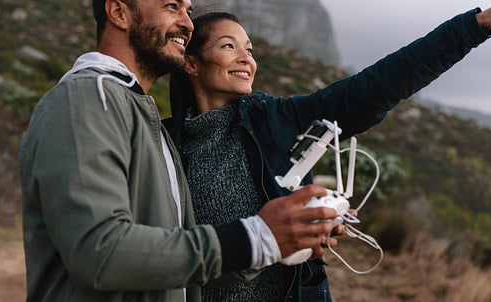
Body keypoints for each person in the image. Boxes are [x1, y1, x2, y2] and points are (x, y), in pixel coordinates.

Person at [166, 5, 491, 302]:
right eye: (229, 46)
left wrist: (478, 24)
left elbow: (378, 85)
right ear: (192, 63)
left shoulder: (279, 120)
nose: (246, 59)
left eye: (249, 50)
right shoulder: (162, 143)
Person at [18, 1, 342, 301]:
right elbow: (98, 254)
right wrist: (256, 238)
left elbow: (170, 265)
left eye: (187, 9)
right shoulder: (86, 98)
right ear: (119, 12)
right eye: (171, 6)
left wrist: (282, 239)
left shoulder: (151, 124)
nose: (187, 23)